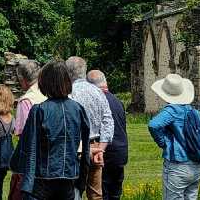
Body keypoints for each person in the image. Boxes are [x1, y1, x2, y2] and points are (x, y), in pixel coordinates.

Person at [11, 61, 91, 200]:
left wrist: (18, 168)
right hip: (69, 177)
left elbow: (28, 147)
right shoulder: (78, 109)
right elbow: (85, 149)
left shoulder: (39, 110)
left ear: (45, 82)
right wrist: (82, 178)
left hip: (42, 180)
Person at [148, 73, 200, 200]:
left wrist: (163, 142)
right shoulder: (193, 111)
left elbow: (154, 125)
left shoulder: (172, 110)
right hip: (197, 166)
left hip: (178, 166)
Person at [65, 56, 113, 200]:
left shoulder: (68, 92)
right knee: (96, 193)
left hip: (76, 146)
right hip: (96, 144)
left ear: (67, 73)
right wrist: (101, 149)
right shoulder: (97, 91)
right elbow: (108, 121)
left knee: (73, 190)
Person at [87, 70, 128, 200]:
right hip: (120, 152)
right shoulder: (117, 101)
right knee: (115, 194)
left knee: (102, 193)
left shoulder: (98, 101)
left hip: (105, 152)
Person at [10, 60, 46, 200]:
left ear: (22, 80)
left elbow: (24, 135)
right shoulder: (49, 94)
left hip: (32, 162)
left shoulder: (26, 101)